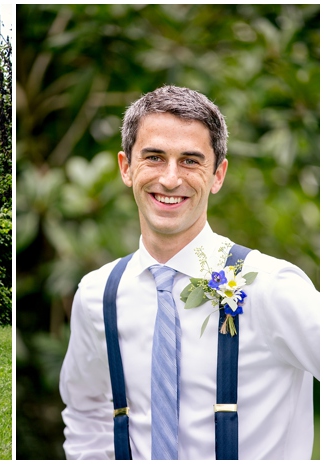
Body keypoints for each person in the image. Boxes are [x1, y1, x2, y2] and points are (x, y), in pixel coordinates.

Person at [59, 85, 320, 459]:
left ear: (217, 175)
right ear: (126, 168)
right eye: (153, 157)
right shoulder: (98, 294)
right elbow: (86, 412)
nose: (169, 178)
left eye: (190, 161)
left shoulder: (272, 286)